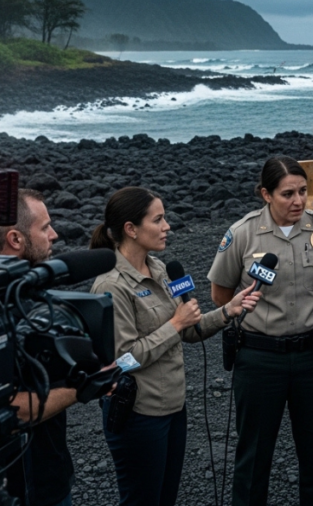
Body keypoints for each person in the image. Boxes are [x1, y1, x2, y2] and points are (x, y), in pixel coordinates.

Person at [88, 186, 261, 506]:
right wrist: (175, 324)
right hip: (138, 417)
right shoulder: (110, 284)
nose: (168, 225)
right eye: (159, 219)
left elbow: (190, 330)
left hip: (173, 409)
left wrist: (228, 310)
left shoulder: (164, 270)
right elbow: (121, 361)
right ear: (131, 229)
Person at [207, 156, 313, 506]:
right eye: (288, 193)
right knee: (253, 458)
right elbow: (221, 295)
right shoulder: (243, 233)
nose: (298, 201)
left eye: (303, 192)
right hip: (259, 359)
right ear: (266, 194)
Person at [0, 189, 73, 506]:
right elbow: (16, 408)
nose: (54, 235)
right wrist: (84, 386)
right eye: (44, 227)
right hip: (28, 487)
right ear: (16, 239)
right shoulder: (0, 309)